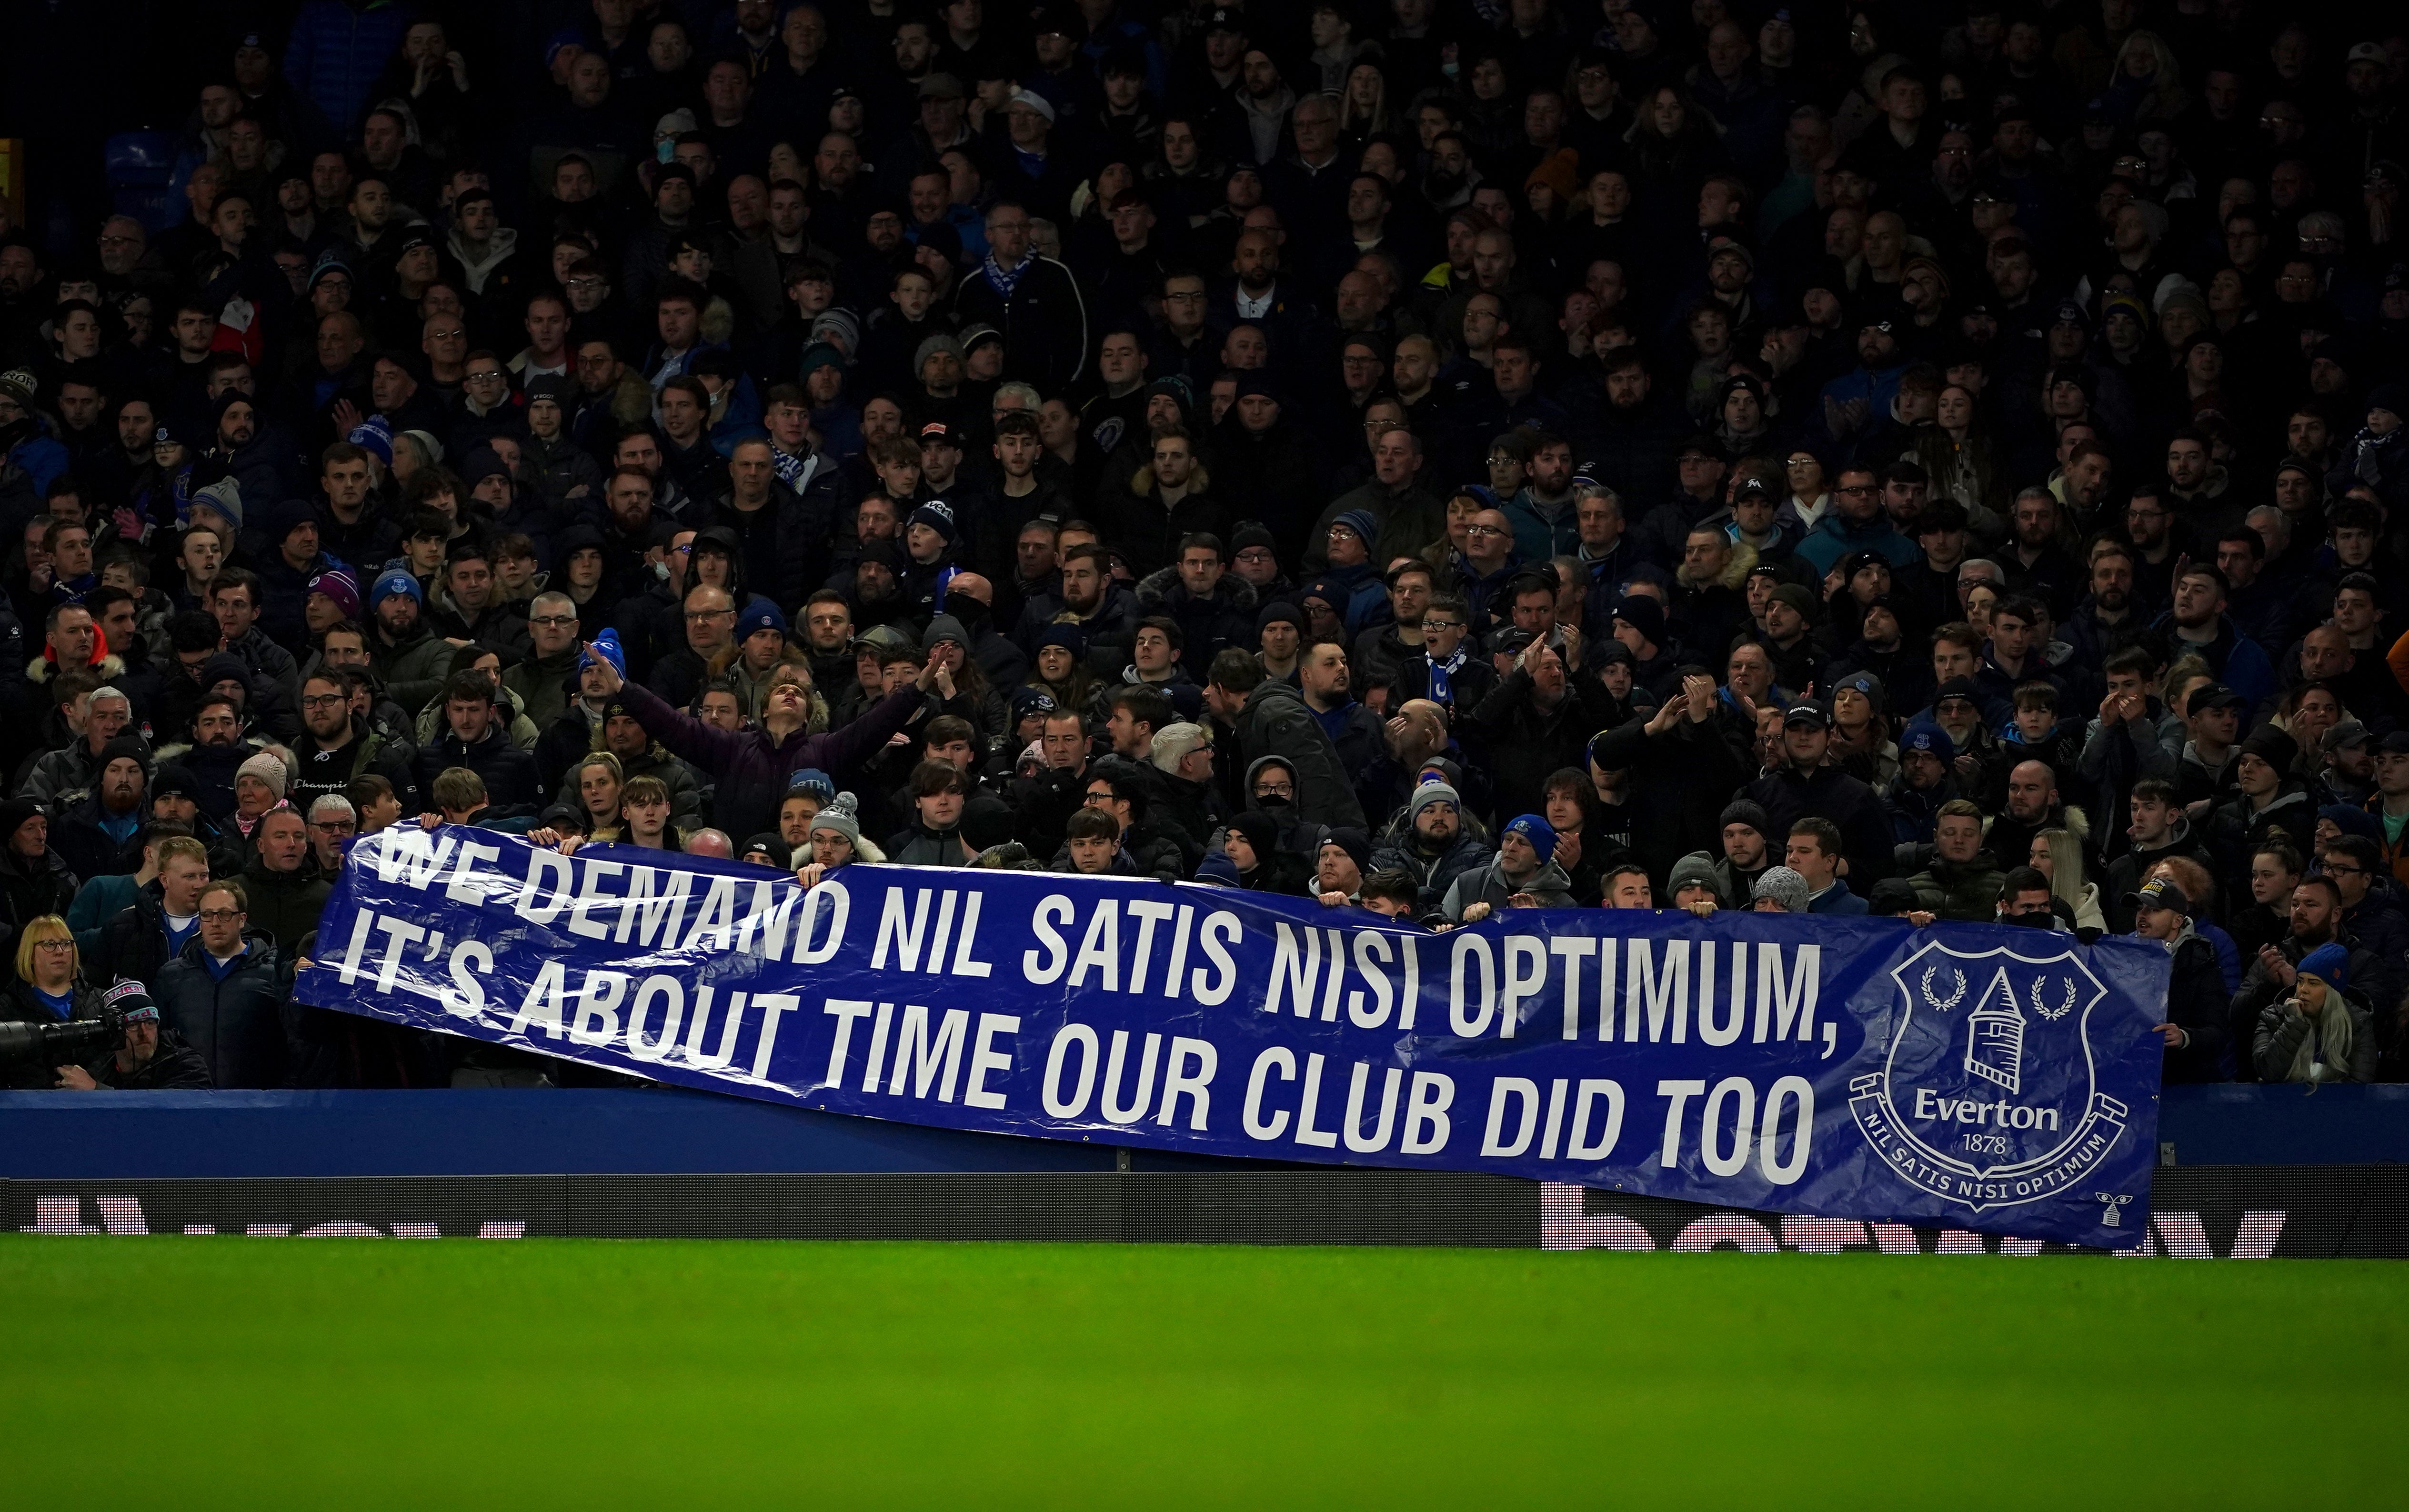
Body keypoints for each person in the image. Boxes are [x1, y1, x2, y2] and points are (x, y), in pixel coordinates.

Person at [155, 879, 291, 1091]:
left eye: (225, 914)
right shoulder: (171, 976)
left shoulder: (273, 974)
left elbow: (291, 1042)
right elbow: (161, 1044)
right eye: (207, 915)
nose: (216, 923)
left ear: (242, 920)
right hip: (189, 1100)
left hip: (255, 1103)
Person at [53, 983, 213, 1091]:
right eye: (132, 1025)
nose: (144, 1033)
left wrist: (96, 1091)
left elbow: (165, 1118)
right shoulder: (100, 1070)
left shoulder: (188, 1065)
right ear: (114, 1033)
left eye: (150, 1023)